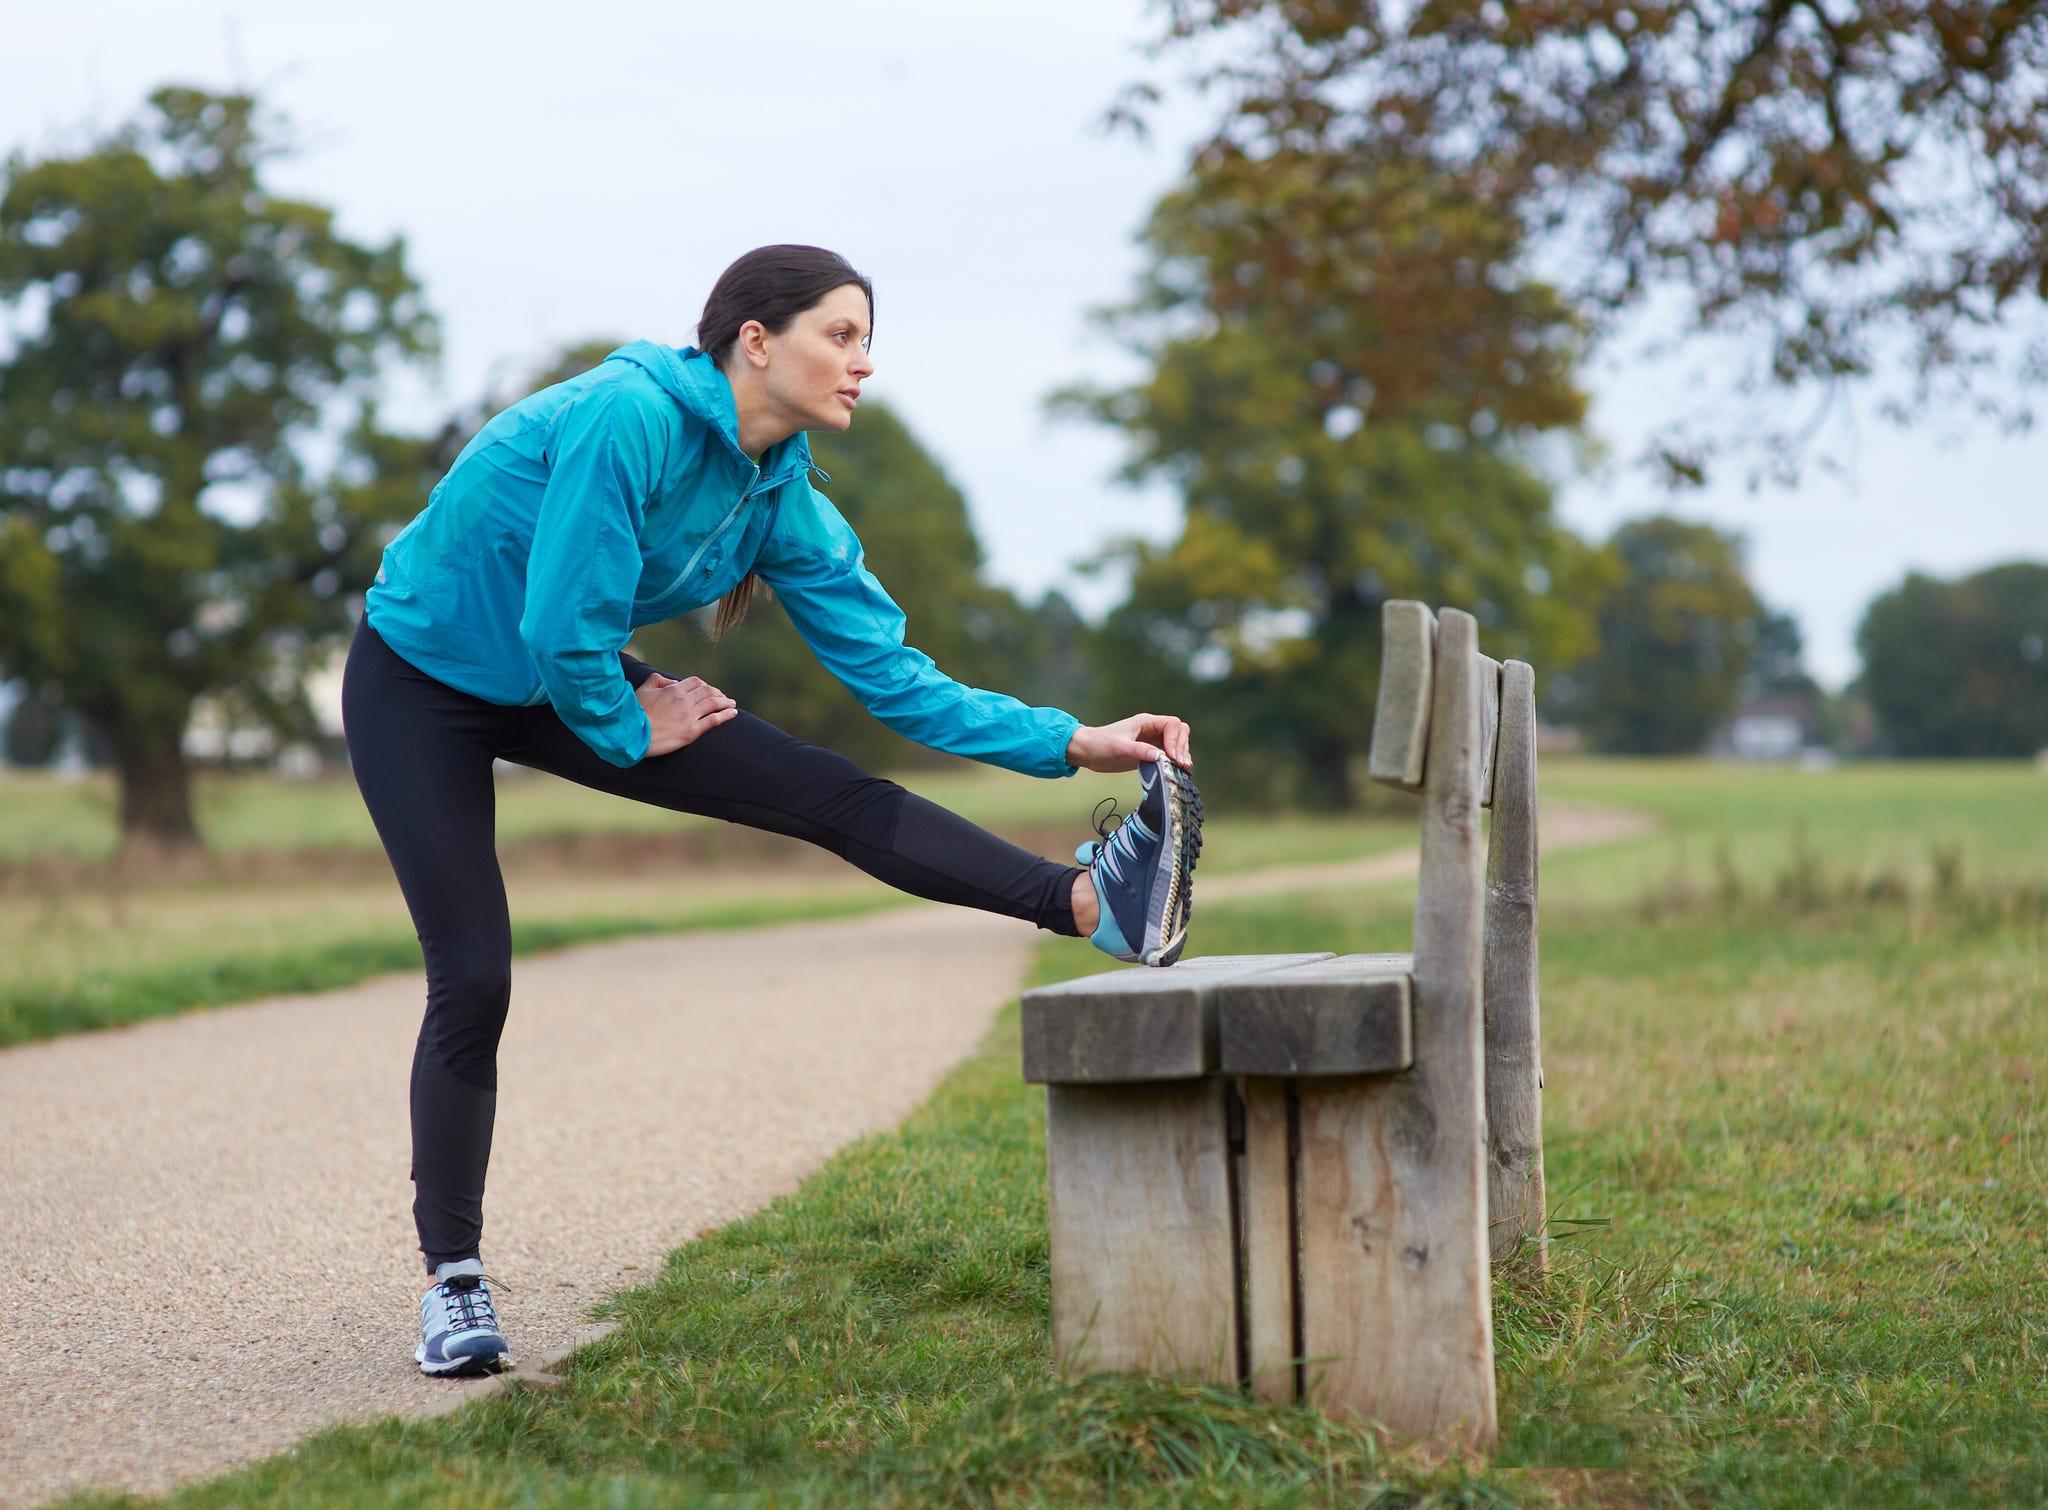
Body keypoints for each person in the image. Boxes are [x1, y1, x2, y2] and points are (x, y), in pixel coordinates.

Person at [341, 244, 1202, 1378]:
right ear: (757, 340)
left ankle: (1092, 900)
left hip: (577, 670)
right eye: (839, 337)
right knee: (475, 971)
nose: (863, 364)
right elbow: (557, 625)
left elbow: (892, 677)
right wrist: (626, 719)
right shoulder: (625, 417)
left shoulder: (779, 487)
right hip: (424, 678)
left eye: (864, 341)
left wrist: (1069, 740)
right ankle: (452, 1283)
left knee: (825, 789)